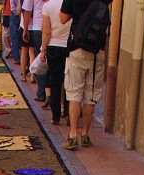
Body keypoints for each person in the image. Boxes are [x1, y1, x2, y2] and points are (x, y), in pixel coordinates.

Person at [59, 0, 111, 150]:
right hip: (97, 51)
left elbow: (63, 18)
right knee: (91, 94)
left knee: (74, 93)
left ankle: (73, 135)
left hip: (77, 48)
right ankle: (86, 134)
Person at [40, 0, 70, 124]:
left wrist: (43, 49)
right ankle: (69, 114)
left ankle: (55, 116)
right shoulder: (71, 4)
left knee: (55, 82)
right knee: (69, 82)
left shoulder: (48, 6)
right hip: (69, 46)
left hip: (53, 46)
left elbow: (46, 31)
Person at [22, 0, 46, 100]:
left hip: (37, 27)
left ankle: (41, 92)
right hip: (53, 26)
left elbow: (27, 11)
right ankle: (51, 92)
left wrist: (25, 29)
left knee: (40, 58)